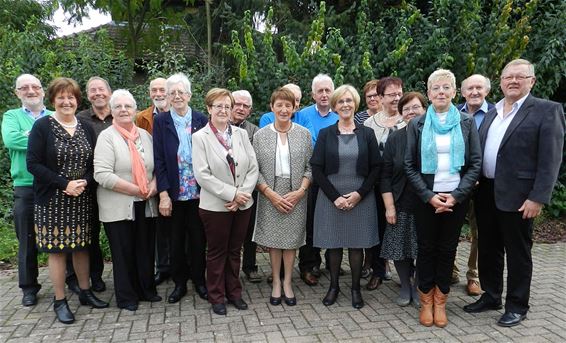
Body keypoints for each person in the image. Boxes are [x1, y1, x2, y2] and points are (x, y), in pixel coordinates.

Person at [463, 59, 565, 327]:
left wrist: (538, 197)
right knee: (488, 247)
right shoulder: (494, 111)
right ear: (501, 81)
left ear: (532, 81)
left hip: (520, 196)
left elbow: (551, 159)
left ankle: (518, 305)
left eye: (520, 77)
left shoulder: (546, 110)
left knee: (518, 252)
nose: (513, 81)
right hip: (485, 190)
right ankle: (491, 295)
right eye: (508, 77)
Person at [27, 77, 109, 324]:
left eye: (70, 97)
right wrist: (65, 184)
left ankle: (85, 292)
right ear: (53, 100)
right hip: (53, 199)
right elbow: (33, 164)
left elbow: (95, 162)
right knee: (57, 251)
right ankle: (60, 300)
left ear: (77, 100)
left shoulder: (85, 126)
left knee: (83, 246)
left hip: (82, 197)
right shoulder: (43, 126)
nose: (66, 101)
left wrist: (83, 182)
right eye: (61, 97)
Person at [404, 69, 481, 328]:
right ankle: (426, 300)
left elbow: (475, 164)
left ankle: (441, 301)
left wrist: (457, 196)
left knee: (448, 249)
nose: (441, 92)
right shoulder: (418, 124)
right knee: (426, 249)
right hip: (427, 199)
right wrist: (428, 196)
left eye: (446, 87)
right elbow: (409, 165)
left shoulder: (466, 123)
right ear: (428, 93)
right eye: (436, 88)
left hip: (456, 199)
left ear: (454, 92)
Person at [311, 85, 381, 309]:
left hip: (360, 196)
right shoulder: (325, 134)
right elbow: (317, 168)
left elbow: (376, 168)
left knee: (356, 245)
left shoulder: (367, 133)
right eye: (340, 101)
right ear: (334, 105)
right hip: (331, 196)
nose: (345, 105)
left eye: (349, 101)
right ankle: (333, 286)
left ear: (355, 104)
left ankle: (355, 289)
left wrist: (359, 194)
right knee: (333, 244)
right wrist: (335, 197)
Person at [193, 88, 259, 316]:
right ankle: (216, 296)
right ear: (209, 109)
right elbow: (202, 175)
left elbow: (252, 166)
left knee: (234, 251)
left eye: (227, 106)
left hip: (242, 204)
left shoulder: (240, 135)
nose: (223, 110)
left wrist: (243, 194)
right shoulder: (200, 137)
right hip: (215, 206)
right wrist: (232, 194)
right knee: (216, 252)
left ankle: (234, 292)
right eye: (218, 106)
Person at [94, 89, 160, 311]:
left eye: (128, 106)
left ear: (135, 110)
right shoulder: (107, 137)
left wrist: (152, 186)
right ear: (112, 111)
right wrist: (135, 189)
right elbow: (101, 174)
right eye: (118, 106)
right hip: (118, 205)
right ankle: (127, 296)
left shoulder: (146, 136)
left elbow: (157, 168)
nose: (123, 110)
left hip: (146, 203)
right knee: (123, 252)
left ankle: (146, 289)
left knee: (145, 249)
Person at [253, 88, 312, 306]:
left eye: (288, 105)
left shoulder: (304, 134)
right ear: (272, 107)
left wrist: (301, 191)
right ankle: (276, 281)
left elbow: (310, 168)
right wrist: (269, 193)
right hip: (270, 192)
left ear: (294, 108)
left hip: (296, 193)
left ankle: (288, 281)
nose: (284, 109)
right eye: (279, 105)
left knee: (291, 241)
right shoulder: (260, 136)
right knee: (274, 241)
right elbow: (254, 170)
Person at [152, 73, 208, 303]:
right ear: (167, 96)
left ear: (189, 95)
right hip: (174, 193)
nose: (177, 96)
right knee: (174, 242)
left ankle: (200, 281)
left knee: (198, 239)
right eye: (172, 92)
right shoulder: (161, 121)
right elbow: (159, 160)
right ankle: (179, 283)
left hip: (199, 192)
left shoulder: (201, 119)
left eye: (181, 92)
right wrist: (163, 194)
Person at [1, 74, 52, 307]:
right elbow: (12, 141)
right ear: (17, 93)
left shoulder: (54, 116)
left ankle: (71, 279)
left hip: (54, 185)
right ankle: (29, 288)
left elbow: (63, 144)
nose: (31, 91)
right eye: (24, 88)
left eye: (35, 86)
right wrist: (46, 141)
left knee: (64, 233)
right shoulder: (11, 116)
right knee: (27, 239)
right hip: (26, 186)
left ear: (42, 91)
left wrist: (31, 137)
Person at [67, 76, 113, 294]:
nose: (98, 93)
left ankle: (124, 274)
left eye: (101, 89)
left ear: (109, 92)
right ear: (87, 95)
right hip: (89, 184)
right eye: (92, 90)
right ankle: (95, 277)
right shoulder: (81, 119)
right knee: (90, 234)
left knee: (118, 233)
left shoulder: (121, 114)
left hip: (117, 186)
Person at [380, 92, 427, 307]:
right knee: (399, 247)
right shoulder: (394, 138)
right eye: (406, 109)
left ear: (424, 110)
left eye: (415, 107)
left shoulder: (432, 135)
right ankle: (405, 286)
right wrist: (389, 206)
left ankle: (418, 286)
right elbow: (386, 175)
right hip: (399, 201)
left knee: (423, 247)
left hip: (427, 202)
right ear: (400, 113)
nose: (411, 112)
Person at [452, 74, 494, 295]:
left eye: (479, 88)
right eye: (470, 88)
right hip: (455, 184)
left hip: (484, 184)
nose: (474, 92)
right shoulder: (451, 114)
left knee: (479, 232)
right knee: (451, 228)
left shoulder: (497, 114)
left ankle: (473, 275)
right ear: (462, 92)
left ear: (487, 90)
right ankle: (451, 268)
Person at [364, 76, 405, 291]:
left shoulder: (409, 120)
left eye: (399, 93)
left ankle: (408, 274)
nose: (396, 98)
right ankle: (378, 272)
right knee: (378, 229)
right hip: (376, 185)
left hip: (403, 186)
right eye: (391, 95)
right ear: (380, 97)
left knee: (405, 227)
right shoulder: (370, 123)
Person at [298, 74, 339, 287]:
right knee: (310, 223)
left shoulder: (341, 114)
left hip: (335, 178)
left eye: (327, 90)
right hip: (310, 177)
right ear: (313, 94)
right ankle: (308, 264)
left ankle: (332, 261)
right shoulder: (302, 115)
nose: (324, 94)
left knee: (331, 220)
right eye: (320, 91)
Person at [135, 77, 173, 286]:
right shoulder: (141, 118)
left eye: (162, 90)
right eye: (154, 90)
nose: (158, 93)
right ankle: (163, 267)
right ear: (149, 93)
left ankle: (180, 265)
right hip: (152, 180)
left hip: (177, 179)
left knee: (179, 225)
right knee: (158, 226)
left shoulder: (182, 114)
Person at [230, 90, 262, 283]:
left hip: (249, 189)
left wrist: (246, 190)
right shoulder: (218, 126)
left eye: (245, 106)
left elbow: (256, 163)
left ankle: (250, 266)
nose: (241, 108)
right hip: (223, 190)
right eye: (237, 104)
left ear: (250, 111)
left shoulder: (255, 131)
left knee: (249, 230)